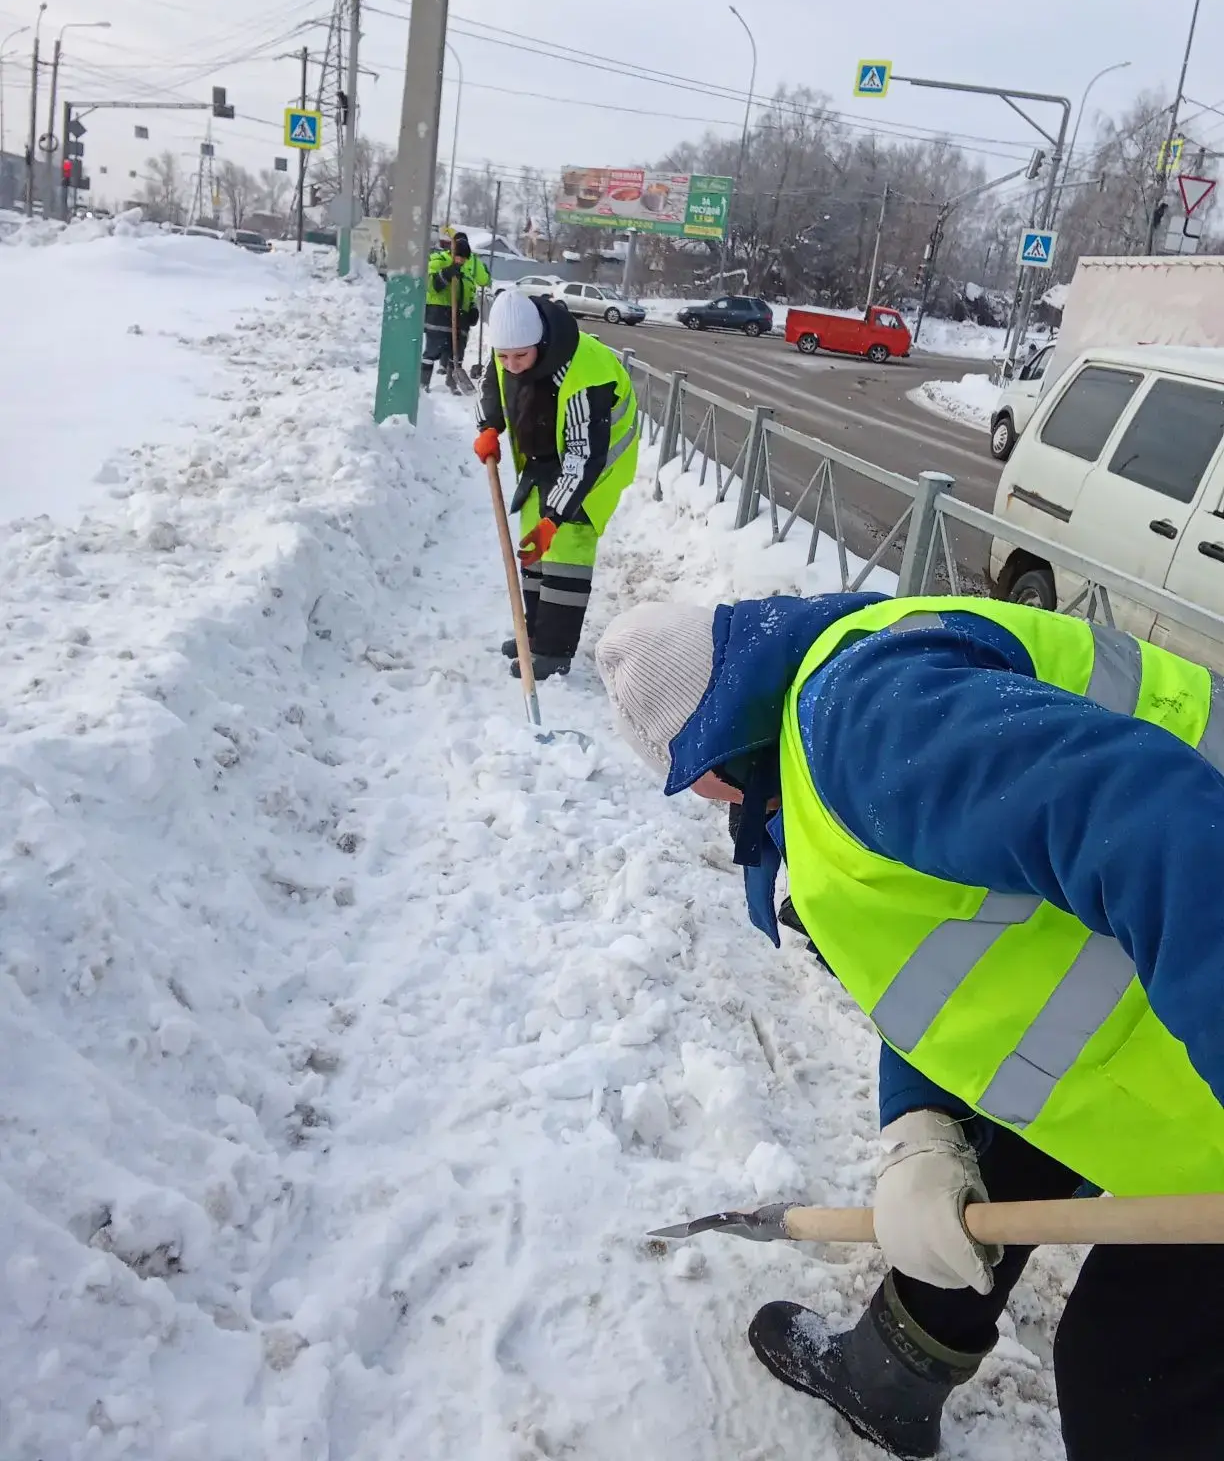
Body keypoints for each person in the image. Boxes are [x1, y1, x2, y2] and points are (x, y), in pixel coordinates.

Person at [595, 591, 1224, 1461]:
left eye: (682, 773)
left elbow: (1152, 822)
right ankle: (893, 1372)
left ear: (707, 747)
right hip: (1165, 1022)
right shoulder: (838, 718)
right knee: (989, 1157)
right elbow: (953, 956)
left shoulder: (863, 720)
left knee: (1132, 1378)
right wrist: (920, 1126)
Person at [474, 289, 639, 681]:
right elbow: (492, 386)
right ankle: (531, 632)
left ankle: (554, 650)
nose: (511, 365)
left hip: (593, 471)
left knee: (566, 554)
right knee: (534, 549)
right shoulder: (509, 352)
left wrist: (554, 519)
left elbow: (585, 457)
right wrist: (489, 426)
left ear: (540, 343)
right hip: (543, 457)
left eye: (520, 357)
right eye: (504, 356)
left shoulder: (587, 373)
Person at [422, 232, 490, 392]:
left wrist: (472, 308)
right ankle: (423, 383)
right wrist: (446, 273)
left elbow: (479, 284)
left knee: (457, 354)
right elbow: (430, 286)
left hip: (461, 318)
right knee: (431, 351)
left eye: (465, 257)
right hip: (438, 316)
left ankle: (452, 383)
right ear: (451, 252)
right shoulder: (439, 260)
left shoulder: (471, 266)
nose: (461, 260)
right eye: (459, 256)